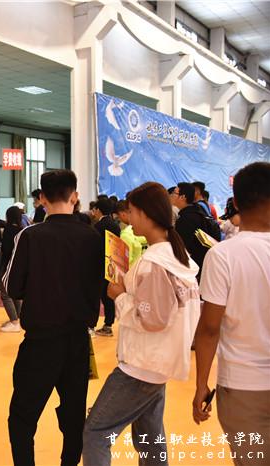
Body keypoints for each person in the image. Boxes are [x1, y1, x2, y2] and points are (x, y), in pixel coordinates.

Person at [82, 182, 200, 466]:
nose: (128, 218)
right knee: (149, 437)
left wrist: (120, 295)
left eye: (132, 212)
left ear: (146, 214)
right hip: (158, 363)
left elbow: (153, 318)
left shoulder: (155, 262)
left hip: (141, 366)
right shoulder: (176, 256)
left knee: (96, 433)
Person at [3, 169, 102, 466]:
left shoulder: (30, 236)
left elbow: (11, 286)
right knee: (74, 416)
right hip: (78, 342)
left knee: (22, 417)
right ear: (75, 197)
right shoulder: (93, 237)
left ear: (42, 198)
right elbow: (100, 286)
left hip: (40, 342)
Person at [192, 162, 270, 466]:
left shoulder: (223, 255)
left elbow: (209, 328)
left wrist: (201, 384)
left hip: (243, 385)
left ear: (235, 202)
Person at [172, 182, 221, 280]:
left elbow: (184, 248)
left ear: (183, 197)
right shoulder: (196, 211)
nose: (172, 195)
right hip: (203, 264)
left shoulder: (186, 219)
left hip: (194, 268)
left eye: (174, 193)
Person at [93, 198, 121, 337]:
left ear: (98, 210)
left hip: (99, 263)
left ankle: (92, 324)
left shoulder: (98, 226)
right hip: (112, 262)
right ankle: (108, 323)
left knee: (97, 294)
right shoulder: (115, 225)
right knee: (108, 295)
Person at [0, 206, 24, 333]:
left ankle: (14, 322)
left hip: (7, 264)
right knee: (15, 292)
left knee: (5, 293)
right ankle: (19, 319)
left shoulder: (8, 230)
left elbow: (6, 249)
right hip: (18, 266)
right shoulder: (22, 230)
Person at [114, 200, 148, 267]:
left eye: (118, 217)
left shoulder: (126, 234)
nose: (120, 219)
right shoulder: (147, 228)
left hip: (133, 270)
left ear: (122, 214)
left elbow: (126, 261)